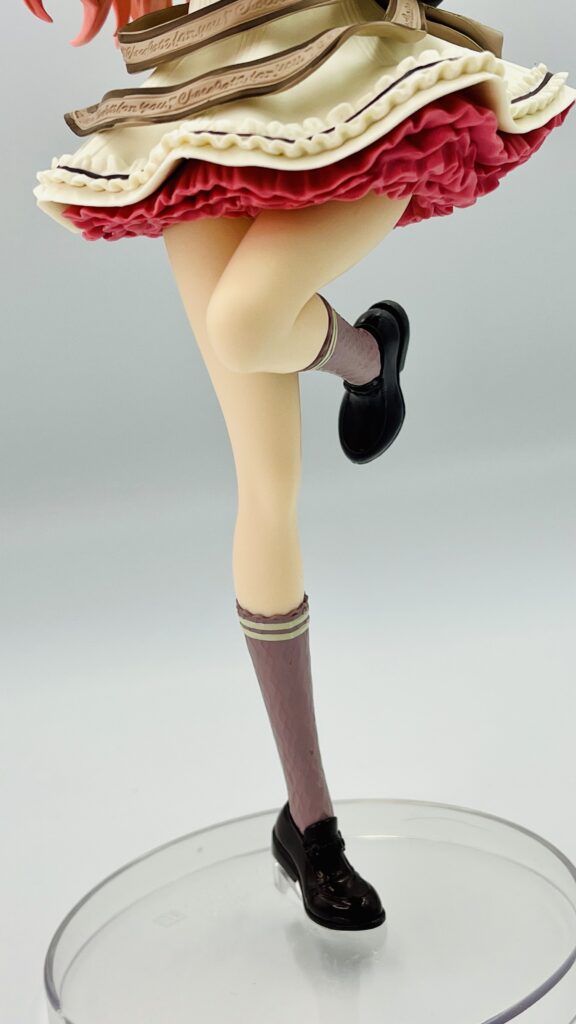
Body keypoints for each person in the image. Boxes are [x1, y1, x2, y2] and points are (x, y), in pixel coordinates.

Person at [24, 0, 575, 930]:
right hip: (200, 104)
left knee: (246, 323)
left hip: (348, 73)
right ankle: (311, 827)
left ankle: (366, 358)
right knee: (265, 486)